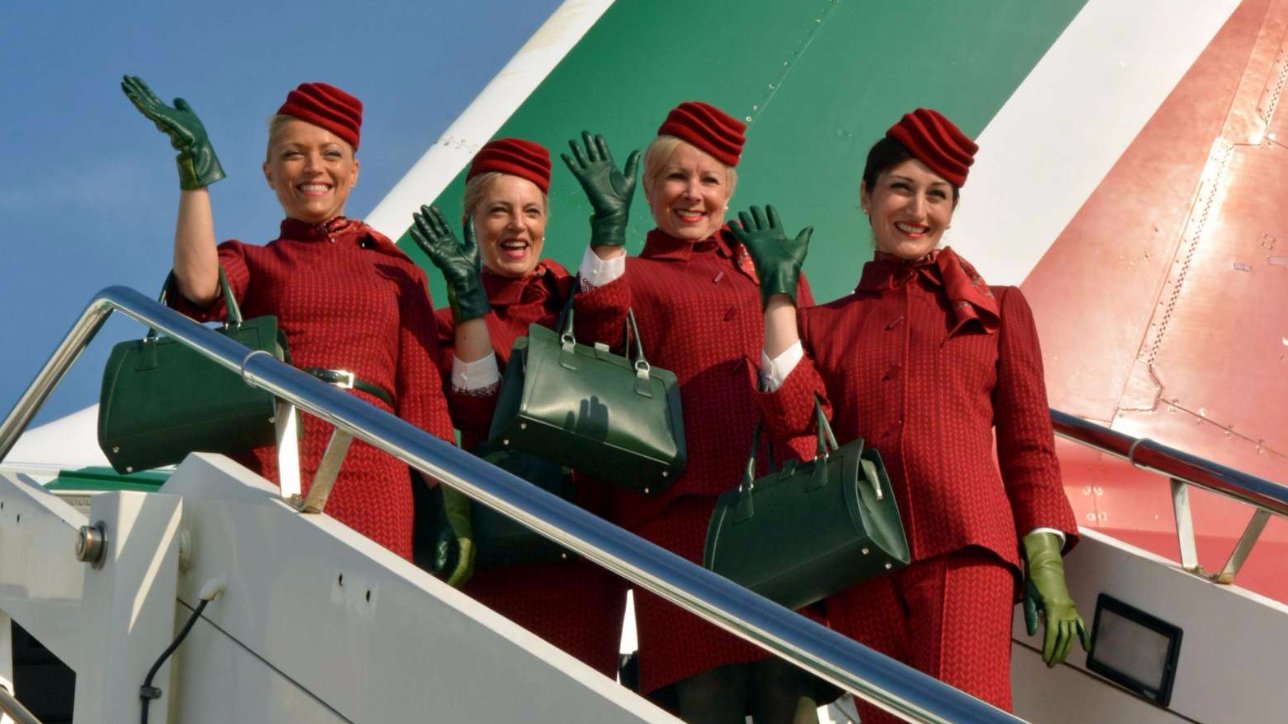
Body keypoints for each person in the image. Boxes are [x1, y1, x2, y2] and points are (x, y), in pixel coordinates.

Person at [739, 108, 1088, 721]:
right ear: (866, 196)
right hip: (861, 562)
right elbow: (791, 417)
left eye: (937, 195)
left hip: (966, 548)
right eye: (901, 188)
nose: (918, 210)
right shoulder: (823, 324)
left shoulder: (999, 309)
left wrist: (1046, 560)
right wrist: (779, 299)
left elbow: (1029, 446)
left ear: (952, 210)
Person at [121, 76, 457, 560]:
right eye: (294, 154)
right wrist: (194, 171)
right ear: (269, 172)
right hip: (273, 457)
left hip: (375, 463)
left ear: (354, 171)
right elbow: (197, 286)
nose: (314, 167)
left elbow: (423, 398)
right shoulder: (255, 261)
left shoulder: (397, 272)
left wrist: (443, 506)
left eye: (331, 154)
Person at [563, 102, 821, 724]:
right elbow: (597, 337)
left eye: (709, 180)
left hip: (779, 509)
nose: (692, 193)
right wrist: (607, 234)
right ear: (649, 189)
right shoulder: (634, 275)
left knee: (789, 695)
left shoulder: (770, 270)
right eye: (676, 177)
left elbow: (808, 397)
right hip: (680, 524)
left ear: (729, 193)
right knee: (706, 697)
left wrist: (781, 292)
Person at [410, 138, 626, 679]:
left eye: (531, 211)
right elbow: (480, 416)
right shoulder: (446, 322)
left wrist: (608, 232)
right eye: (499, 211)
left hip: (582, 547)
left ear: (546, 222)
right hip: (500, 538)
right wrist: (468, 300)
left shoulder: (574, 297)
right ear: (471, 222)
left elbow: (609, 339)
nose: (517, 226)